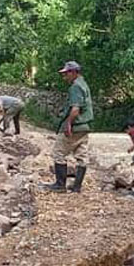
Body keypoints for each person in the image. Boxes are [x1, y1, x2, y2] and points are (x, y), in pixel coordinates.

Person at [43, 61, 94, 193]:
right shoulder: (84, 84)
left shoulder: (75, 87)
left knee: (58, 153)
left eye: (66, 73)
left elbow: (75, 109)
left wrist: (68, 124)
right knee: (82, 156)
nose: (64, 77)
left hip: (76, 126)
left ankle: (60, 185)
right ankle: (77, 186)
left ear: (74, 72)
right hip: (84, 126)